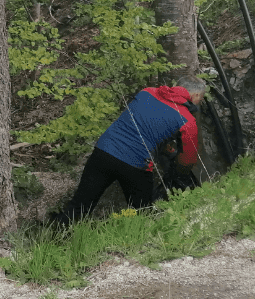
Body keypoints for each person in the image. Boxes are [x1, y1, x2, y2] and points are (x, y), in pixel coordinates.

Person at [52, 76, 206, 226]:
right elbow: (188, 159)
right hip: (136, 164)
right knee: (143, 212)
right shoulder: (187, 120)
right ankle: (138, 243)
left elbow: (144, 122)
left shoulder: (147, 92)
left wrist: (162, 147)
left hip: (104, 151)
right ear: (196, 95)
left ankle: (55, 238)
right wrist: (177, 173)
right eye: (201, 98)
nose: (200, 101)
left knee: (80, 205)